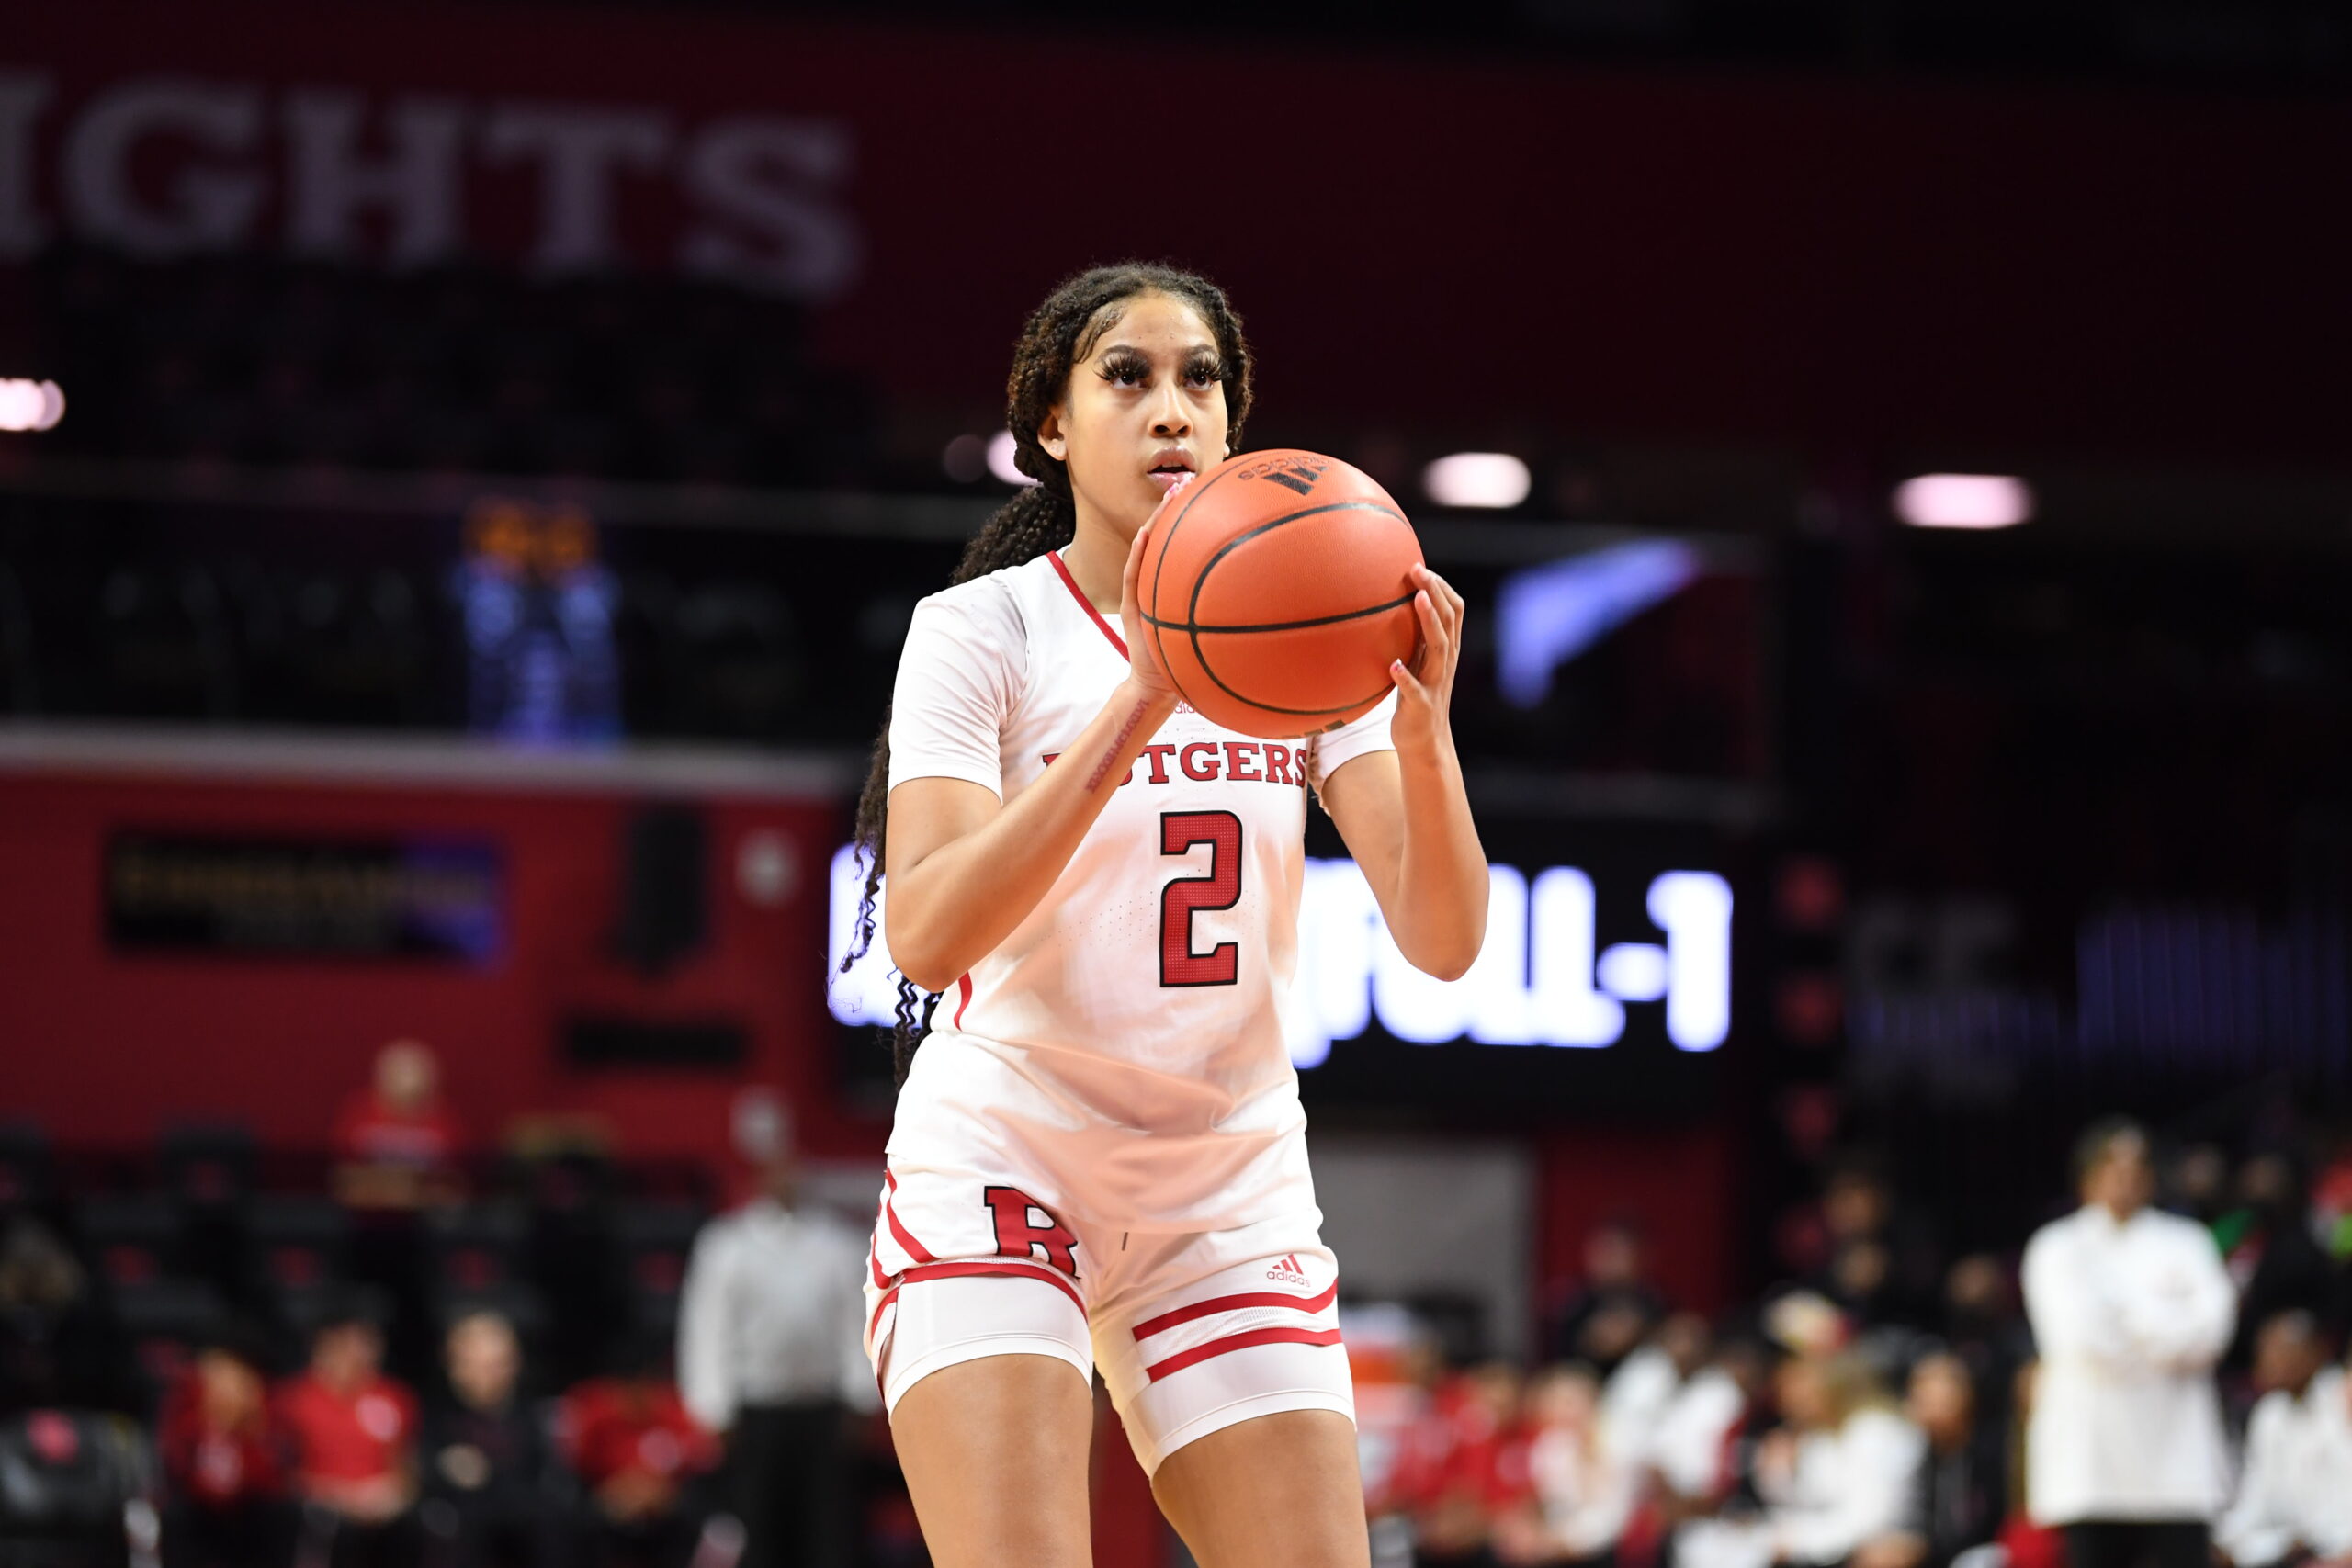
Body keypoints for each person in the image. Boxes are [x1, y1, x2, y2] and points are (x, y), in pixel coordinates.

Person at [841, 261, 1487, 1568]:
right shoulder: (983, 630)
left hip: (1225, 1184)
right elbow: (925, 933)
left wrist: (1427, 734)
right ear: (1056, 426)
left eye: (1201, 379)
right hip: (1010, 1153)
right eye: (1127, 377)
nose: (1172, 408)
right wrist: (1139, 699)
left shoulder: (1314, 634)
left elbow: (1443, 940)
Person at [2020, 1118, 2236, 1568]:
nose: (2125, 1177)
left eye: (2136, 1167)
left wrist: (2126, 1322)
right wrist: (2164, 1327)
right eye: (2112, 1166)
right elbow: (2077, 1340)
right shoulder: (2056, 1247)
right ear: (2086, 1176)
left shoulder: (2188, 1241)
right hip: (2093, 1457)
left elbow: (2212, 1332)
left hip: (2177, 1456)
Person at [676, 1098, 874, 1568]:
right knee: (759, 1534)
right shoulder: (727, 1245)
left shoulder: (838, 1245)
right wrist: (712, 1407)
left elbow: (856, 1323)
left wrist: (862, 1397)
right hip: (755, 1415)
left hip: (823, 1413)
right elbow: (707, 1328)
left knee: (829, 1538)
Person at [277, 1302, 422, 1568]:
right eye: (349, 1342)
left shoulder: (394, 1396)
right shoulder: (293, 1399)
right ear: (323, 1345)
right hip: (323, 1513)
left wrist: (396, 1493)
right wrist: (342, 1497)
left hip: (383, 1514)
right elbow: (284, 1475)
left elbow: (406, 1463)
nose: (361, 1352)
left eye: (368, 1342)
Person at [559, 1339, 722, 1568]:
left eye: (645, 1388)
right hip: (606, 1510)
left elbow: (703, 1459)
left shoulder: (674, 1409)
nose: (638, 1398)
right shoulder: (592, 1411)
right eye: (630, 1390)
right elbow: (574, 1471)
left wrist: (662, 1494)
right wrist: (611, 1495)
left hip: (666, 1515)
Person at [419, 1310, 560, 1568]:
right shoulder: (435, 1418)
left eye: (498, 1364)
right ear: (453, 1365)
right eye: (473, 1364)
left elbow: (543, 1479)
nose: (487, 1376)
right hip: (462, 1535)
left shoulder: (532, 1416)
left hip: (526, 1534)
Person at [2213, 1312, 2352, 1568]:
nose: (2270, 1361)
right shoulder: (2269, 1414)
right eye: (2264, 1351)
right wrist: (2227, 1542)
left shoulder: (2341, 1400)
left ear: (2316, 1353)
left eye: (2282, 1351)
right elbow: (2256, 1498)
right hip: (2289, 1545)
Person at [158, 1323, 295, 1568]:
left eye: (235, 1374)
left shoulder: (266, 1415)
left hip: (248, 1516)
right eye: (217, 1371)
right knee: (177, 1515)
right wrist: (215, 1423)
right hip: (197, 1515)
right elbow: (182, 1469)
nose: (226, 1382)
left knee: (278, 1513)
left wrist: (251, 1425)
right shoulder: (185, 1411)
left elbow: (269, 1480)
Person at [334, 1040, 465, 1211]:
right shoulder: (359, 1115)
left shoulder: (444, 1121)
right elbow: (342, 1176)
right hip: (366, 1216)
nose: (407, 1106)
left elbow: (456, 1183)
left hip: (427, 1218)